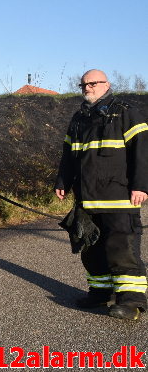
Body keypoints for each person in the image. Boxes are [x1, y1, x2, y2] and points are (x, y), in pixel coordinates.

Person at [55, 69, 148, 320]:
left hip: (118, 198)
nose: (87, 88)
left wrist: (141, 186)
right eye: (83, 84)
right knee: (91, 249)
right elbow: (69, 154)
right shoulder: (79, 118)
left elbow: (142, 152)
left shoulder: (126, 112)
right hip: (87, 199)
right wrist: (63, 181)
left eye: (92, 83)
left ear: (106, 84)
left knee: (122, 249)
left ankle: (131, 302)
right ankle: (100, 292)